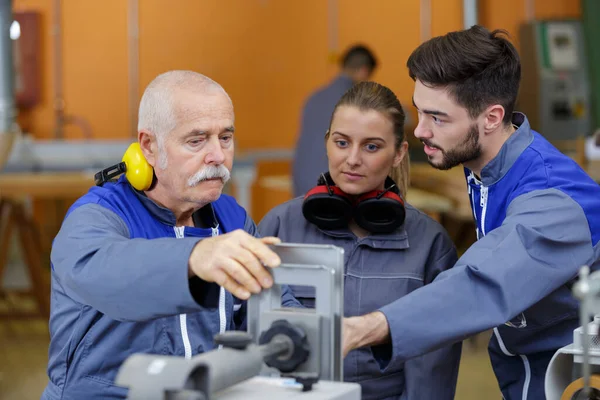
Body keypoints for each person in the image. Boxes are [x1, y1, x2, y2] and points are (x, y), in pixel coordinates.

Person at [337, 26, 600, 400]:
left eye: (437, 118)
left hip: (573, 380)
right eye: (419, 112)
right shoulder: (488, 164)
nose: (421, 130)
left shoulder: (554, 201)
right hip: (529, 371)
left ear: (491, 118)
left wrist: (364, 328)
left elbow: (481, 283)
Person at [41, 70, 299, 400]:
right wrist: (195, 257)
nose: (218, 156)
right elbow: (102, 270)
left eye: (225, 138)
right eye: (196, 140)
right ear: (149, 145)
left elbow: (276, 311)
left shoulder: (232, 219)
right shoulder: (96, 216)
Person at [259, 81, 462, 400]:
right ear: (327, 143)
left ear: (398, 153)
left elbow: (431, 375)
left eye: (371, 146)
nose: (352, 159)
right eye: (342, 143)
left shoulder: (429, 244)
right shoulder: (278, 226)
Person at [292, 44, 378, 198]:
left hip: (302, 186)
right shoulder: (354, 101)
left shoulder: (314, 98)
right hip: (333, 191)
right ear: (364, 71)